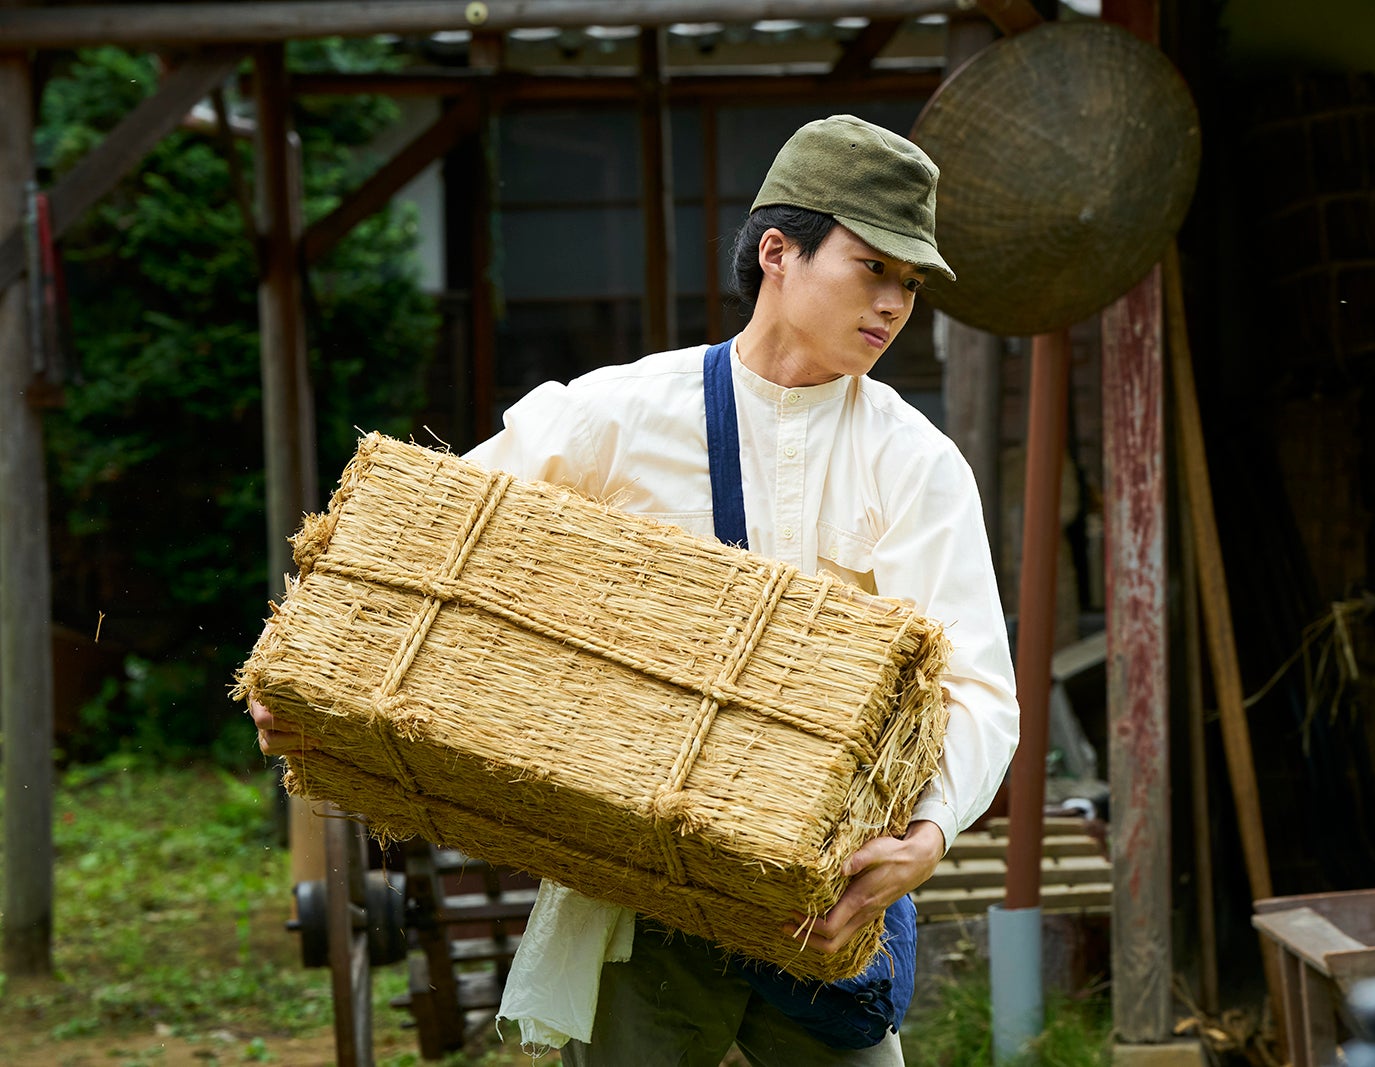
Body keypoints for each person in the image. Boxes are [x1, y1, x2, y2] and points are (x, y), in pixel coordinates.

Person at [252, 114, 1019, 1066]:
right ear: (778, 250)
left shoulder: (918, 465)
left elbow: (977, 689)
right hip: (636, 891)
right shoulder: (617, 415)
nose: (895, 302)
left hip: (823, 907)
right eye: (874, 266)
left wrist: (930, 834)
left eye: (910, 282)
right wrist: (316, 682)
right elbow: (420, 549)